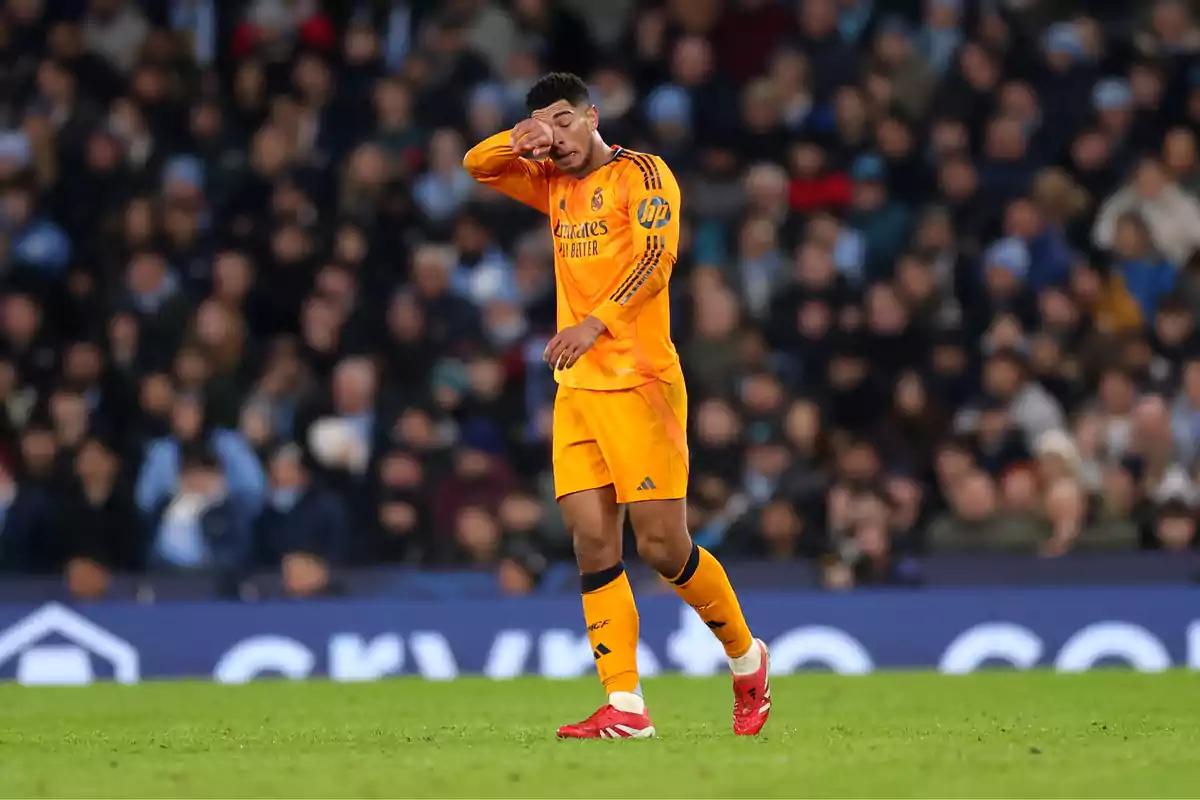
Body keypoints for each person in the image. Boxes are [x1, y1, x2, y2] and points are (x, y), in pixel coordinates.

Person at [463, 72, 770, 739]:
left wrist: (594, 322)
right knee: (592, 544)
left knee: (662, 547)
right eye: (547, 124)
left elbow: (656, 258)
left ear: (594, 116)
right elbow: (477, 166)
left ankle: (747, 658)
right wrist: (520, 139)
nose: (559, 135)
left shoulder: (644, 175)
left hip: (640, 382)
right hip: (576, 392)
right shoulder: (550, 182)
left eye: (566, 119)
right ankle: (626, 707)